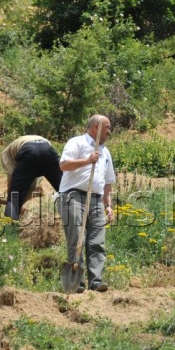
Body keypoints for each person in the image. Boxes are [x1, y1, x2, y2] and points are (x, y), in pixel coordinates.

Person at [59, 115, 116, 293]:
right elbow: (64, 165)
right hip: (73, 196)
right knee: (76, 239)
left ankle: (96, 282)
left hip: (96, 199)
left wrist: (108, 205)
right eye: (107, 127)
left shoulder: (105, 152)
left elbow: (108, 182)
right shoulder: (77, 143)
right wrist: (87, 160)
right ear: (95, 127)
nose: (109, 130)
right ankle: (77, 283)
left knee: (97, 241)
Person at [1, 135, 63, 220]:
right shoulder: (17, 147)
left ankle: (9, 227)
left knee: (14, 195)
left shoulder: (5, 155)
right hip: (47, 149)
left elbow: (11, 182)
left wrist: (12, 200)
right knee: (65, 189)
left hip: (29, 151)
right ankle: (78, 219)